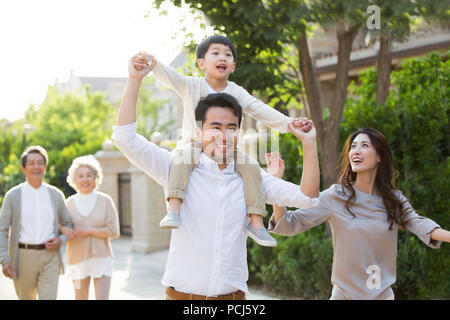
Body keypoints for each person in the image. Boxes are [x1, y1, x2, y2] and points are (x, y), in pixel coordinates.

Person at [112, 56, 320, 299]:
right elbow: (125, 140)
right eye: (215, 127)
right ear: (199, 132)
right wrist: (135, 80)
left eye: (231, 128)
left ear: (238, 133)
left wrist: (309, 143)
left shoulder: (251, 177)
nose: (224, 135)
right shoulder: (176, 167)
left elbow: (307, 197)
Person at [131, 35, 312, 247]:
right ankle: (174, 209)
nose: (222, 58)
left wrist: (289, 123)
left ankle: (256, 222)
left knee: (251, 167)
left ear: (233, 66)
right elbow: (171, 76)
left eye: (227, 55)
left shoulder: (236, 91)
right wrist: (152, 62)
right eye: (215, 53)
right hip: (194, 144)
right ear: (201, 63)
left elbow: (258, 108)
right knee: (181, 158)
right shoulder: (191, 85)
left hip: (226, 149)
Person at [267, 127, 450, 300]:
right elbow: (288, 223)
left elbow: (421, 225)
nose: (356, 151)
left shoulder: (394, 200)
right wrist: (276, 186)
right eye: (353, 146)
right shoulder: (336, 196)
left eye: (364, 145)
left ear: (379, 156)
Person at [0, 145, 73, 300]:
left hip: (50, 257)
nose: (36, 166)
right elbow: (2, 229)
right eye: (31, 163)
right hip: (22, 257)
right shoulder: (13, 196)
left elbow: (68, 224)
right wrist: (4, 260)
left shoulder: (56, 195)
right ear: (23, 168)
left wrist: (61, 240)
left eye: (40, 163)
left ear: (45, 167)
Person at [59, 155, 120, 300]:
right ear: (75, 180)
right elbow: (60, 226)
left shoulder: (105, 201)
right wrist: (64, 230)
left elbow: (114, 231)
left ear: (95, 178)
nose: (85, 179)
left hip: (102, 260)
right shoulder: (69, 203)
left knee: (102, 297)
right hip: (76, 262)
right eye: (80, 176)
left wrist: (89, 231)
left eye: (89, 175)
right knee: (79, 296)